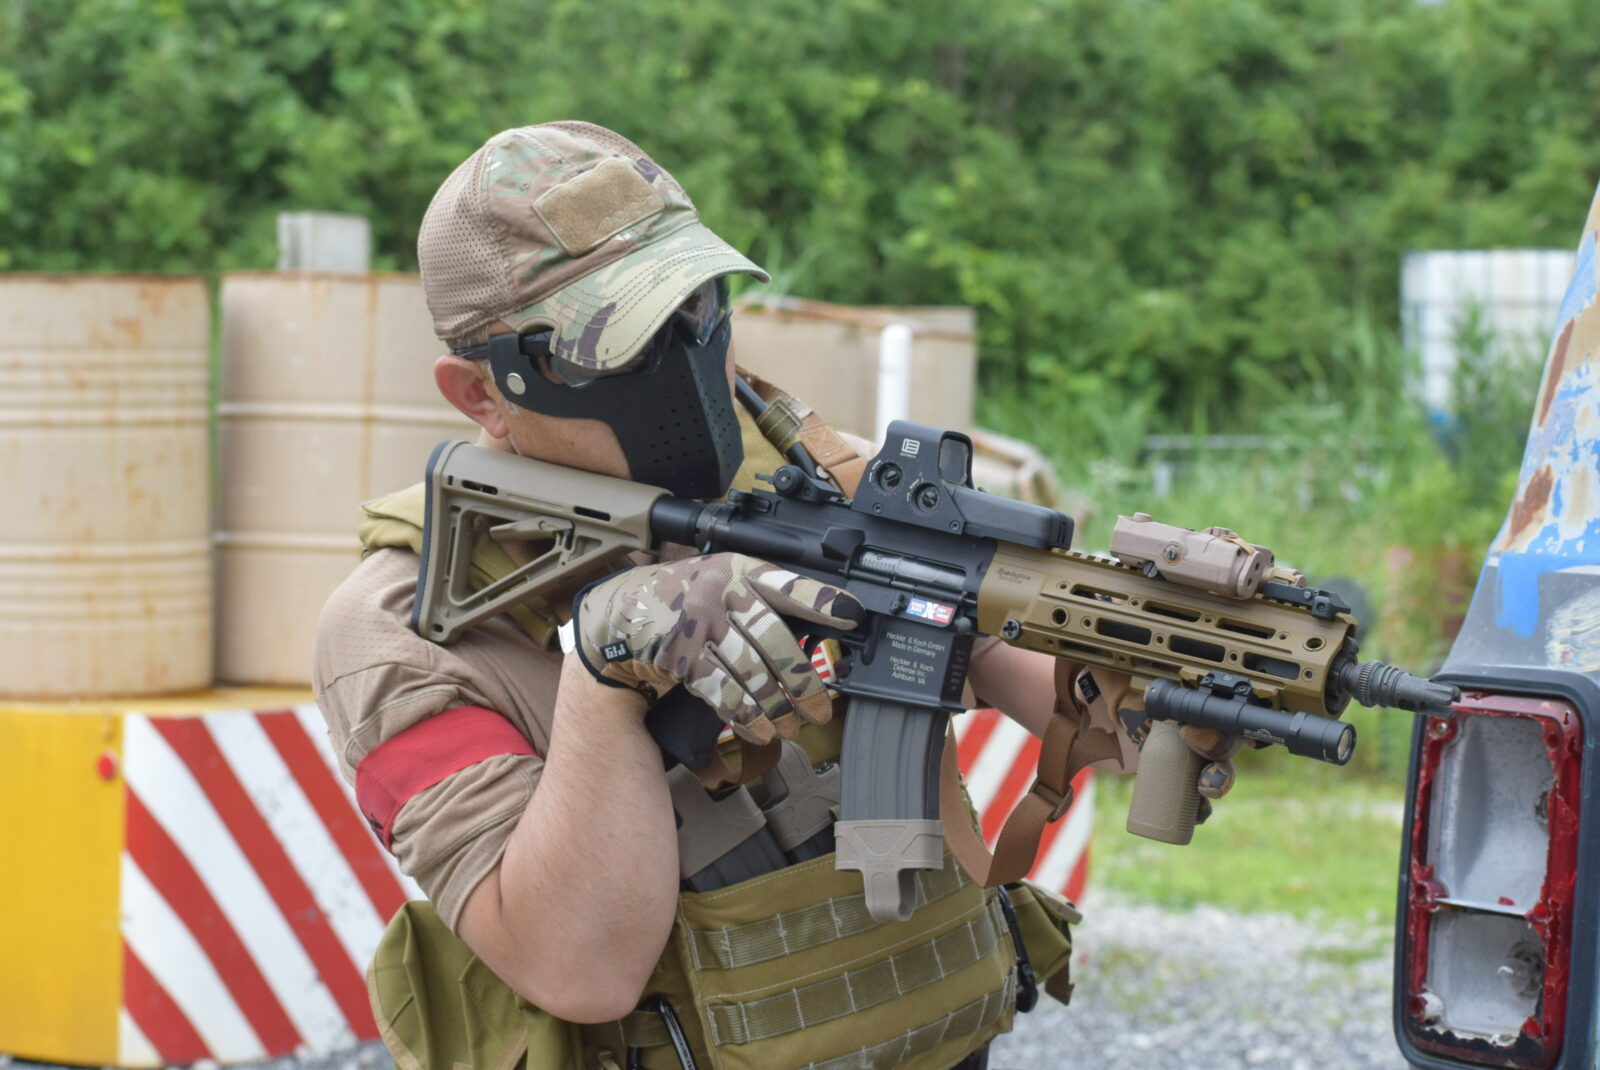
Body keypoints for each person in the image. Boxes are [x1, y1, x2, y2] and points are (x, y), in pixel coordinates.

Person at [313, 121, 1240, 1070]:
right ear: (481, 393)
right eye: (613, 349)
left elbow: (1071, 700)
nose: (684, 366)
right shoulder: (398, 630)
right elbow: (578, 969)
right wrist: (603, 674)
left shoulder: (815, 479)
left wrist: (1173, 676)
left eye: (696, 307)